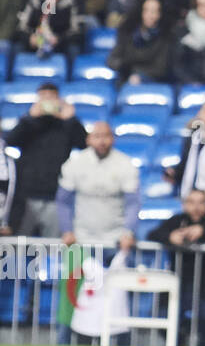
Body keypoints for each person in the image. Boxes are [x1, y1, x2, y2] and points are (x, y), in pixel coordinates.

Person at [146, 188, 205, 346]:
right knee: (162, 314)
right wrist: (170, 237)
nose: (196, 207)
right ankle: (178, 343)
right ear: (184, 204)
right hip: (178, 284)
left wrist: (203, 231)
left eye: (201, 202)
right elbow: (153, 234)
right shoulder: (176, 222)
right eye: (191, 202)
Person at [2, 82, 85, 237]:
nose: (48, 103)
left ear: (59, 100)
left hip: (55, 195)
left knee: (53, 248)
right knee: (19, 247)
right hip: (26, 196)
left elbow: (84, 144)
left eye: (51, 98)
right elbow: (9, 141)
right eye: (44, 98)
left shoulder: (65, 125)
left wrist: (71, 120)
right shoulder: (29, 123)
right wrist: (29, 118)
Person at [55, 121, 139, 250]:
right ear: (88, 139)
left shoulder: (126, 164)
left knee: (118, 270)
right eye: (97, 136)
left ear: (113, 139)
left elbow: (133, 203)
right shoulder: (74, 163)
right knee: (74, 270)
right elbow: (63, 201)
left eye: (106, 136)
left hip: (116, 239)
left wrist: (128, 233)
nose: (102, 141)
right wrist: (67, 230)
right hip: (79, 238)